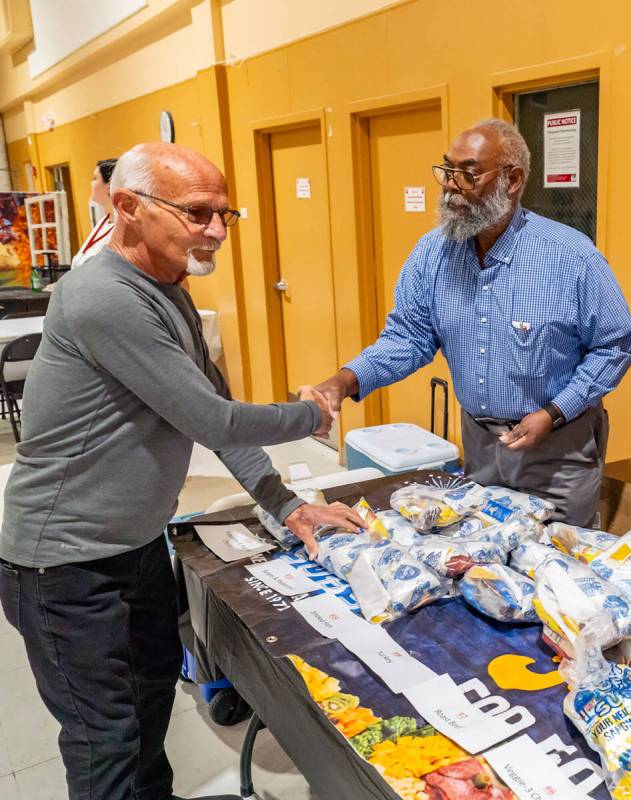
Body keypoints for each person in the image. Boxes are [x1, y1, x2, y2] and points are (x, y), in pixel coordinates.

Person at [0, 142, 362, 800]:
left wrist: (287, 504)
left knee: (151, 698)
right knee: (104, 739)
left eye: (226, 213)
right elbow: (215, 421)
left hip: (134, 545)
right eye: (198, 213)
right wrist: (307, 417)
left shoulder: (169, 291)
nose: (218, 231)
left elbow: (214, 414)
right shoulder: (103, 298)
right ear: (128, 208)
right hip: (64, 567)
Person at [317, 118, 631, 525]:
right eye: (447, 170)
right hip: (480, 448)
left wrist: (555, 412)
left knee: (553, 567)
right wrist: (345, 380)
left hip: (557, 453)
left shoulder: (571, 258)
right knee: (484, 560)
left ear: (513, 179)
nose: (451, 185)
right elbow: (409, 338)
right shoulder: (432, 254)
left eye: (467, 174)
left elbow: (617, 344)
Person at [71, 157, 118, 268]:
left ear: (108, 186)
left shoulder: (121, 227)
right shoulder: (104, 220)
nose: (91, 183)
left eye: (94, 179)